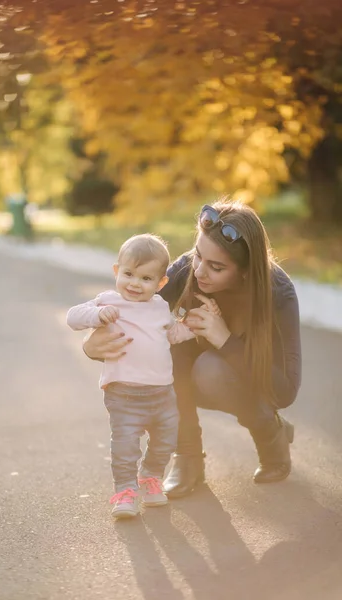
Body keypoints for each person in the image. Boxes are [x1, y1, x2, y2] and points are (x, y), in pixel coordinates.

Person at [83, 200, 302, 499]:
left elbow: (285, 391)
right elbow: (131, 318)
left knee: (211, 369)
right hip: (188, 377)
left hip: (243, 380)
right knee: (167, 351)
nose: (199, 271)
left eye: (217, 267)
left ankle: (270, 434)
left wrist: (224, 338)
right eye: (198, 255)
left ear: (245, 272)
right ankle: (188, 458)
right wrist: (92, 347)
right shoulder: (189, 268)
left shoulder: (278, 292)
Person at [67, 233, 198, 518]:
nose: (135, 284)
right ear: (117, 271)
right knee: (126, 446)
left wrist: (192, 326)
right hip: (123, 393)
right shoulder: (109, 301)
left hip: (162, 392)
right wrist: (96, 316)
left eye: (146, 278)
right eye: (128, 274)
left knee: (166, 440)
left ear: (161, 283)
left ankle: (150, 478)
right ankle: (125, 491)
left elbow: (172, 335)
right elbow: (73, 317)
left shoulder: (161, 308)